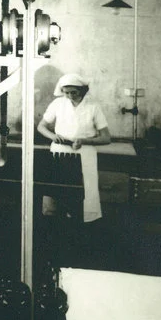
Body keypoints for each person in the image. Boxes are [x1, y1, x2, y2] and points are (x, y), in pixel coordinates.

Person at [37, 73, 110, 223]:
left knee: (85, 191)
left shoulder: (93, 107)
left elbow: (106, 138)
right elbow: (41, 126)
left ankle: (82, 222)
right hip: (60, 152)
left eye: (74, 92)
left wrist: (83, 141)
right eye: (66, 92)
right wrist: (53, 137)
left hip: (84, 154)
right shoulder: (58, 104)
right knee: (57, 189)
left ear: (82, 90)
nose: (69, 96)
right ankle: (55, 221)